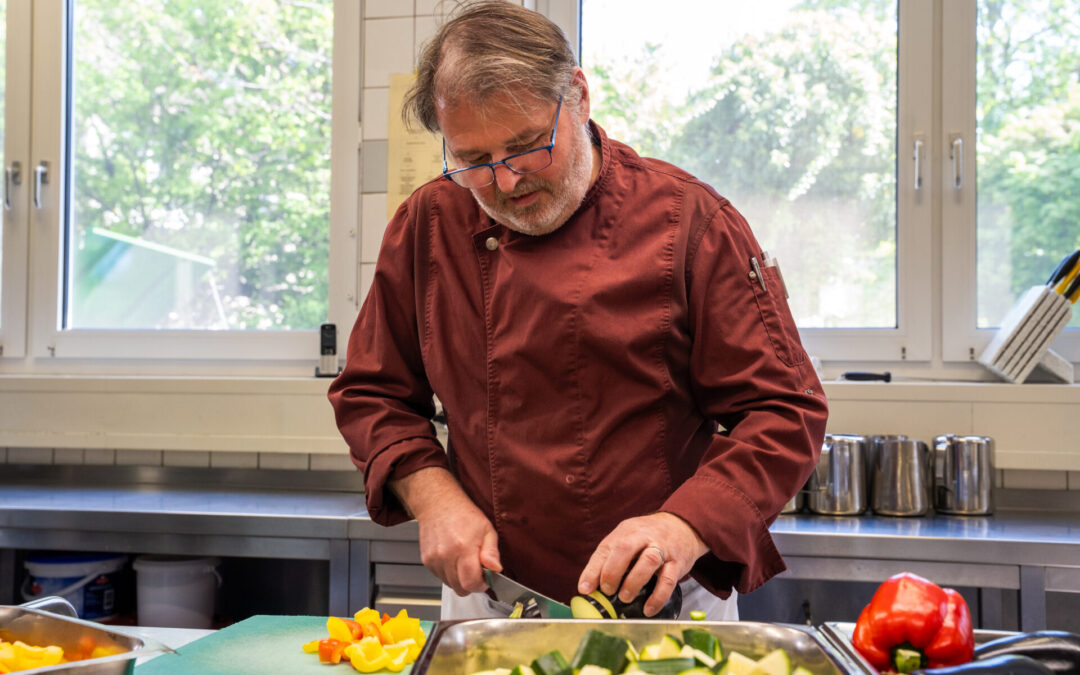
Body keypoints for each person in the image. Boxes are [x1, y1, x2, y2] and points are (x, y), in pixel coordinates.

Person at [328, 0, 827, 621]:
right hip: (486, 596)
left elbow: (783, 410)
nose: (505, 183)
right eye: (474, 161)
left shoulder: (692, 224)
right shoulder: (428, 224)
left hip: (660, 600)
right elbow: (372, 392)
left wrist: (683, 526)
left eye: (528, 147)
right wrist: (433, 498)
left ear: (580, 97)